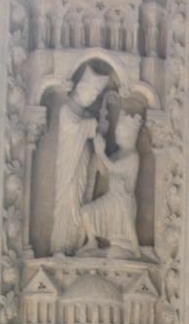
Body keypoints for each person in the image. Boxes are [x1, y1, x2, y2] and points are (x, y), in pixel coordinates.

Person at [51, 66, 110, 256]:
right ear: (81, 88)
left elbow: (88, 133)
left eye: (95, 95)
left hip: (80, 165)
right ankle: (61, 246)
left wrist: (98, 129)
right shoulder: (66, 111)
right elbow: (75, 129)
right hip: (69, 168)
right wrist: (94, 125)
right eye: (91, 93)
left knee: (79, 200)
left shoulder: (83, 115)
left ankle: (76, 243)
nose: (92, 98)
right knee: (67, 203)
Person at [78, 112, 142, 259]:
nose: (117, 132)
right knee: (85, 211)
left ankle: (126, 250)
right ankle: (92, 242)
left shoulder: (133, 156)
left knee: (119, 245)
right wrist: (98, 151)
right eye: (117, 129)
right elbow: (104, 171)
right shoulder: (117, 154)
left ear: (129, 134)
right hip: (111, 198)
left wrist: (101, 153)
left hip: (122, 202)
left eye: (120, 130)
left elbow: (113, 167)